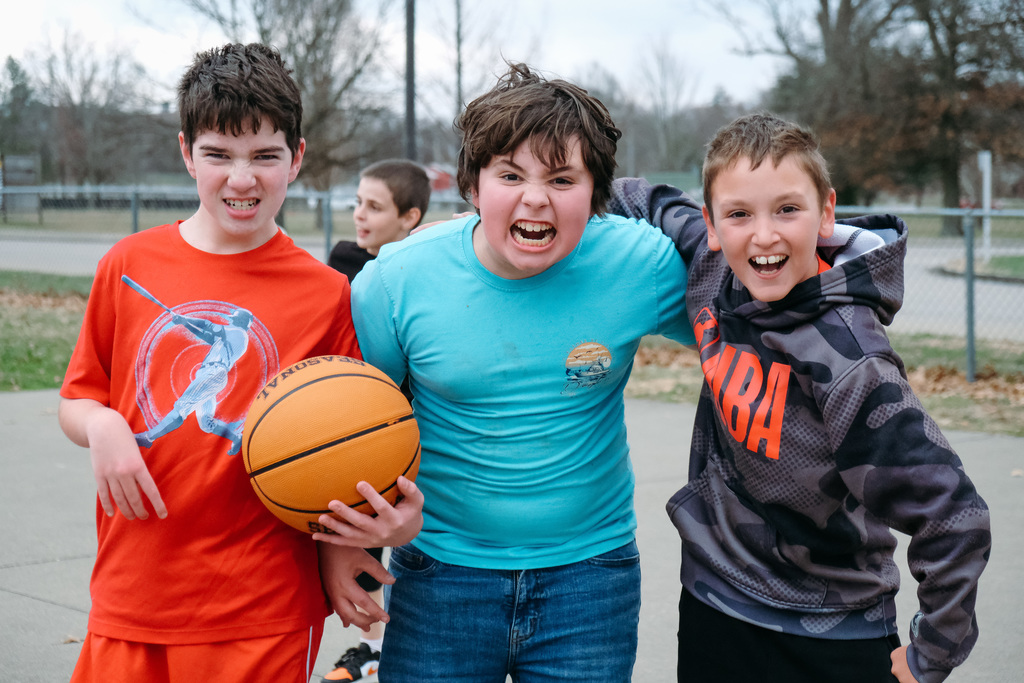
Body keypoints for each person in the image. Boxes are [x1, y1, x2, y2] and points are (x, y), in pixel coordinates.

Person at [57, 43, 422, 683]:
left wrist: (343, 549)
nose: (242, 178)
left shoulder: (327, 294)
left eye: (265, 157)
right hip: (132, 588)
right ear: (185, 153)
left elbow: (346, 447)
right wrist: (102, 426)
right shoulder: (127, 265)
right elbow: (77, 400)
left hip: (263, 604)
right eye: (218, 155)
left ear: (297, 158)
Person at [338, 62, 693, 682]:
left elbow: (751, 328)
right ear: (474, 187)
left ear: (596, 191)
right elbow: (350, 427)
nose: (535, 198)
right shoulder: (396, 281)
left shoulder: (645, 266)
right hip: (438, 573)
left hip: (591, 578)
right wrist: (349, 546)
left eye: (562, 178)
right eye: (510, 175)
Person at [607, 112, 991, 683]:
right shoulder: (716, 266)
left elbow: (956, 519)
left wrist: (929, 654)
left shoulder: (853, 361)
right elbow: (645, 197)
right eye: (739, 214)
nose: (763, 235)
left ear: (826, 213)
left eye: (787, 209)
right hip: (717, 606)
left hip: (832, 629)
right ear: (712, 225)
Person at [322, 158, 431, 683]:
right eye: (357, 203)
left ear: (410, 217)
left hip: (411, 435)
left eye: (375, 206)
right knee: (354, 539)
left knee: (402, 545)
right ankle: (367, 646)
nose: (360, 215)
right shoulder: (341, 268)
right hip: (351, 433)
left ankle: (376, 646)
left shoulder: (426, 274)